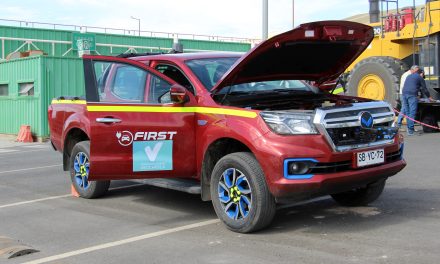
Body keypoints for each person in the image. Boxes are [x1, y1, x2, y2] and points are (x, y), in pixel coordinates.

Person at [401, 67, 434, 135]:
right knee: (412, 113)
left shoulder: (409, 76)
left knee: (407, 113)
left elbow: (411, 86)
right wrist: (429, 97)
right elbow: (424, 89)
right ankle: (410, 131)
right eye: (423, 75)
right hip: (412, 95)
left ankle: (409, 129)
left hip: (404, 94)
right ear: (421, 73)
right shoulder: (419, 77)